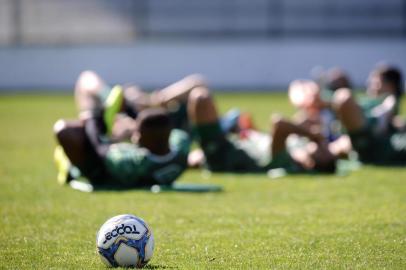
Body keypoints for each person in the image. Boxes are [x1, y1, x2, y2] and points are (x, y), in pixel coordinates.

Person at [187, 86, 350, 174]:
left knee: (201, 98)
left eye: (321, 151)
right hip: (237, 139)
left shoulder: (287, 162)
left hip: (223, 153)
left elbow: (279, 123)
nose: (321, 145)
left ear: (312, 162)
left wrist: (315, 136)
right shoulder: (297, 147)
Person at [53, 107, 191, 188]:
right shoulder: (181, 147)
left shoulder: (131, 163)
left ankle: (70, 168)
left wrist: (92, 118)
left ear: (140, 137)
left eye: (137, 133)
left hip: (103, 173)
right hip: (141, 157)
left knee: (63, 130)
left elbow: (99, 148)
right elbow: (161, 131)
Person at [74, 70, 205, 141]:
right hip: (123, 119)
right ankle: (109, 99)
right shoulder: (121, 114)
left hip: (142, 125)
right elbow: (86, 78)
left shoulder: (173, 116)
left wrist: (155, 101)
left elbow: (198, 83)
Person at [332, 64, 406, 164]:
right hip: (357, 138)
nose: (370, 84)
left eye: (375, 81)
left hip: (372, 139)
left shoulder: (390, 101)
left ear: (390, 86)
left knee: (343, 97)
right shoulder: (369, 101)